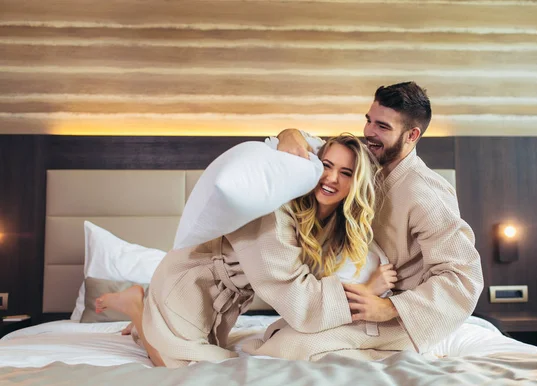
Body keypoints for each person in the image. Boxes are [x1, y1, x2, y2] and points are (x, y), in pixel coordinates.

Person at [95, 133, 390, 367]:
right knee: (182, 367)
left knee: (202, 355)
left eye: (346, 172)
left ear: (357, 182)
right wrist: (366, 292)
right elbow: (299, 300)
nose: (331, 178)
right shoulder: (275, 214)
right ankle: (136, 307)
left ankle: (148, 320)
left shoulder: (329, 224)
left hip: (224, 303)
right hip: (190, 282)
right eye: (326, 165)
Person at [249, 82, 484, 360]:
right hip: (354, 294)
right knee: (276, 338)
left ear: (412, 135)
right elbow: (310, 146)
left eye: (383, 127)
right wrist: (288, 133)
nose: (369, 132)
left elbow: (463, 276)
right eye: (369, 121)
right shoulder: (363, 163)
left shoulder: (426, 193)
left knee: (284, 349)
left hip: (392, 316)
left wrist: (391, 309)